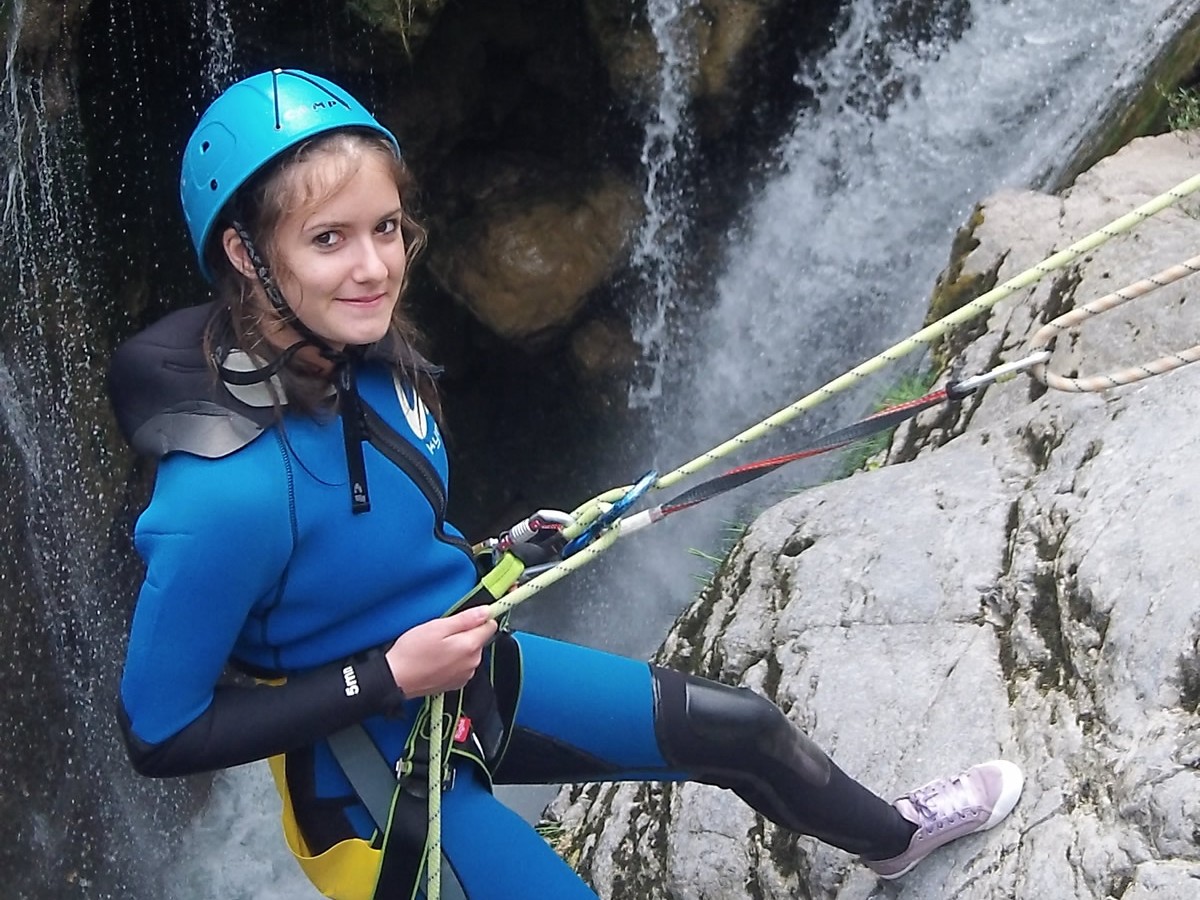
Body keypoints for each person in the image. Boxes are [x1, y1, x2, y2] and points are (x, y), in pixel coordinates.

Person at [111, 68, 1024, 900]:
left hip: (459, 672)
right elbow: (160, 734)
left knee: (740, 730)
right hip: (362, 782)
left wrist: (497, 550)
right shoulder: (218, 494)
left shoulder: (368, 358)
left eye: (385, 227)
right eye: (328, 239)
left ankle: (896, 839)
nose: (376, 266)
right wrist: (384, 676)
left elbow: (362, 539)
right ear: (244, 253)